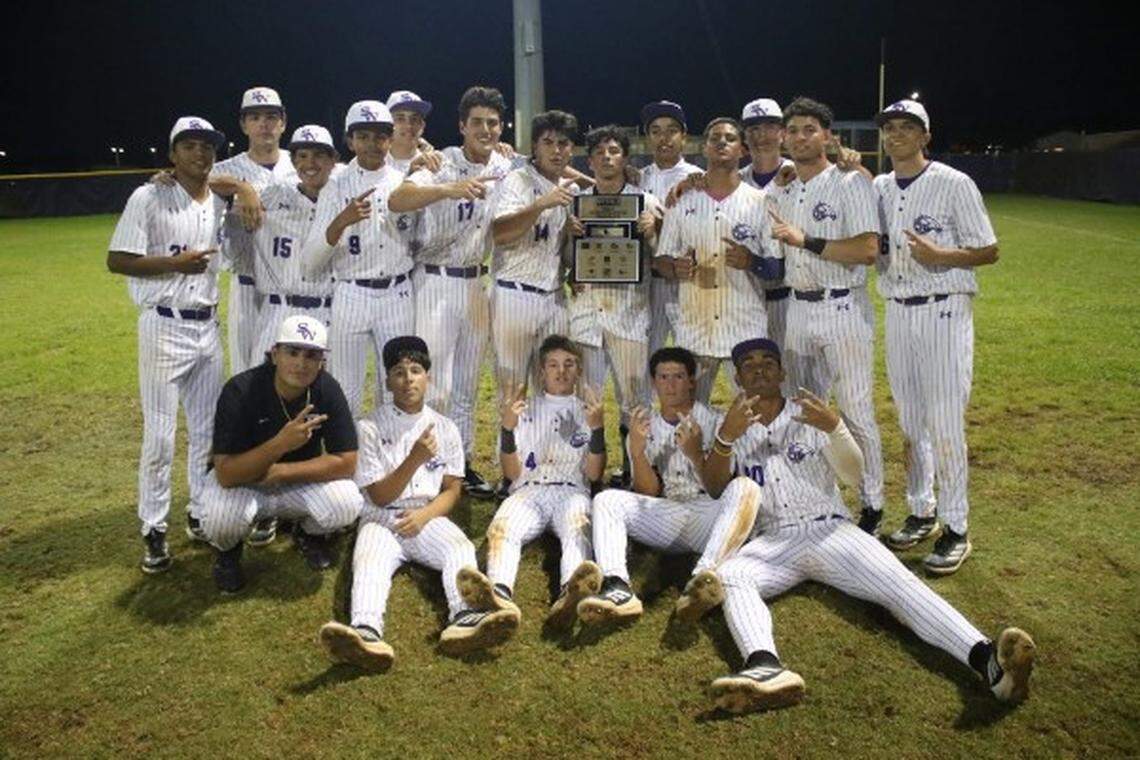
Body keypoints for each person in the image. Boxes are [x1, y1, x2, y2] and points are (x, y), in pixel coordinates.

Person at [698, 337, 1035, 714]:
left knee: (898, 584)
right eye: (748, 364)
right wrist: (726, 437)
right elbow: (715, 489)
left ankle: (988, 662)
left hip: (830, 531)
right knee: (731, 577)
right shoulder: (724, 421)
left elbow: (854, 474)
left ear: (782, 371)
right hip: (772, 541)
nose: (759, 369)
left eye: (768, 362)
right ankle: (764, 666)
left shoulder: (808, 412)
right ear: (737, 375)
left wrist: (836, 428)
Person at [318, 337, 517, 670]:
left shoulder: (446, 428)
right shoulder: (369, 427)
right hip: (381, 517)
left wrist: (425, 516)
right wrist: (415, 458)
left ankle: (464, 619)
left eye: (415, 370)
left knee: (460, 549)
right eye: (398, 372)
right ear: (387, 381)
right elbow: (380, 495)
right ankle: (366, 634)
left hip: (427, 515)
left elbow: (452, 490)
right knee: (368, 565)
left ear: (428, 377)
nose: (408, 379)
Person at [873, 99, 1000, 573]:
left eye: (908, 127)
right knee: (910, 422)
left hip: (944, 310)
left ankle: (957, 527)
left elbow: (989, 251)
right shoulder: (880, 186)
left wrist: (943, 255)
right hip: (899, 312)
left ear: (926, 136)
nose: (896, 135)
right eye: (890, 128)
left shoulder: (953, 182)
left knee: (945, 423)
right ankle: (922, 509)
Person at [106, 116, 229, 573]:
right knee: (159, 437)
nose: (200, 153)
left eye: (207, 146)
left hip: (207, 329)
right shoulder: (149, 195)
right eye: (190, 145)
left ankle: (199, 512)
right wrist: (174, 264)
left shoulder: (218, 199)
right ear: (173, 152)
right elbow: (116, 259)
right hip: (163, 326)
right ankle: (154, 528)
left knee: (205, 431)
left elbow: (238, 183)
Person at [388, 85, 518, 500]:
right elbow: (399, 198)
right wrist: (448, 187)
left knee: (465, 386)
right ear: (462, 125)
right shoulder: (442, 161)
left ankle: (456, 472)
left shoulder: (505, 163)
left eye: (493, 123)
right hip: (435, 281)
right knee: (436, 386)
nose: (485, 129)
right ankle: (423, 468)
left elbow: (552, 168)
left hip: (475, 282)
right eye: (477, 122)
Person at [766, 96, 886, 534]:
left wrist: (807, 241)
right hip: (799, 307)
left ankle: (872, 502)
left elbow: (868, 250)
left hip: (843, 306)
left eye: (809, 130)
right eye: (793, 130)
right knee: (803, 407)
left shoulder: (849, 182)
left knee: (855, 409)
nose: (800, 137)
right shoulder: (781, 188)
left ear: (828, 137)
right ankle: (815, 491)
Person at [578, 347, 761, 626]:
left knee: (746, 488)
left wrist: (696, 454)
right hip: (670, 514)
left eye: (678, 376)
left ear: (692, 382)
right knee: (606, 500)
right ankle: (617, 587)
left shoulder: (716, 420)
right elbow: (648, 493)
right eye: (663, 377)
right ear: (654, 383)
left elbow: (719, 489)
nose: (670, 384)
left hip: (710, 516)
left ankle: (702, 579)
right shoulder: (644, 425)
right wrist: (637, 454)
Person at [201, 316, 363, 593]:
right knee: (220, 517)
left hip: (296, 482)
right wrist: (280, 444)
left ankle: (309, 534)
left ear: (322, 361)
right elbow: (226, 473)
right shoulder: (241, 390)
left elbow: (347, 461)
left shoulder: (326, 388)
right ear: (274, 354)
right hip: (246, 484)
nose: (301, 363)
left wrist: (282, 471)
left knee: (347, 502)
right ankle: (228, 553)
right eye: (292, 352)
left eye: (312, 355)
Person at [484, 335, 606, 633]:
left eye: (569, 364)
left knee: (578, 529)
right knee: (503, 529)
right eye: (553, 365)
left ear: (578, 371)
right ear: (542, 372)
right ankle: (499, 595)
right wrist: (508, 429)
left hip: (571, 491)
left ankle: (570, 593)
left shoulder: (587, 410)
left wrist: (598, 429)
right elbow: (512, 473)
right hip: (529, 491)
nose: (561, 371)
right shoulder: (522, 409)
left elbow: (593, 475)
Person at [655, 117, 780, 403]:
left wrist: (752, 262)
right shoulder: (682, 200)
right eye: (715, 138)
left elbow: (776, 269)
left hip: (744, 324)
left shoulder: (760, 202)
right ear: (705, 149)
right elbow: (662, 259)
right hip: (695, 327)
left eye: (730, 138)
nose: (722, 142)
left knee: (756, 413)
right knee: (689, 415)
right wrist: (674, 268)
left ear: (742, 151)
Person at [301, 100, 415, 416]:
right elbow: (311, 259)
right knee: (345, 390)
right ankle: (347, 464)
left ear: (390, 140)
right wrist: (341, 220)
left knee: (397, 388)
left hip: (397, 293)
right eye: (363, 136)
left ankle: (392, 459)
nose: (372, 144)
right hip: (351, 291)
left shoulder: (404, 181)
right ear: (350, 140)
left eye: (380, 136)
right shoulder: (335, 185)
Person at [569, 125, 662, 488]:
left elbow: (662, 256)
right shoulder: (576, 203)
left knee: (633, 398)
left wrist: (653, 230)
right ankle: (589, 471)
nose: (607, 158)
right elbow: (565, 262)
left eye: (614, 151)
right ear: (590, 160)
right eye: (600, 153)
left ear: (625, 157)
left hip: (629, 312)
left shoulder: (647, 201)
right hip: (587, 315)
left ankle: (633, 468)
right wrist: (568, 238)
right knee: (587, 397)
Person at [489, 110, 582, 398]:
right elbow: (500, 234)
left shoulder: (573, 189)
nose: (556, 150)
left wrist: (572, 236)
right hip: (514, 296)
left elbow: (564, 257)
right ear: (534, 147)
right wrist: (541, 205)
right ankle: (510, 445)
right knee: (513, 391)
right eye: (548, 142)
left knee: (557, 388)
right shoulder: (516, 180)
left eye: (563, 143)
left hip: (554, 297)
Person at [212, 86, 297, 376]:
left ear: (283, 123)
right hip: (249, 286)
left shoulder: (303, 163)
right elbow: (190, 180)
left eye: (272, 116)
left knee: (297, 374)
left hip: (295, 287)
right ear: (243, 124)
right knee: (246, 372)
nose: (264, 124)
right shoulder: (226, 169)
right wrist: (240, 186)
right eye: (255, 117)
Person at [636, 101, 703, 358]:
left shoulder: (698, 178)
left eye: (671, 130)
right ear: (647, 138)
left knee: (693, 355)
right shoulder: (638, 178)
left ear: (684, 136)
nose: (663, 138)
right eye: (655, 131)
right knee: (646, 357)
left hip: (686, 281)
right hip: (649, 282)